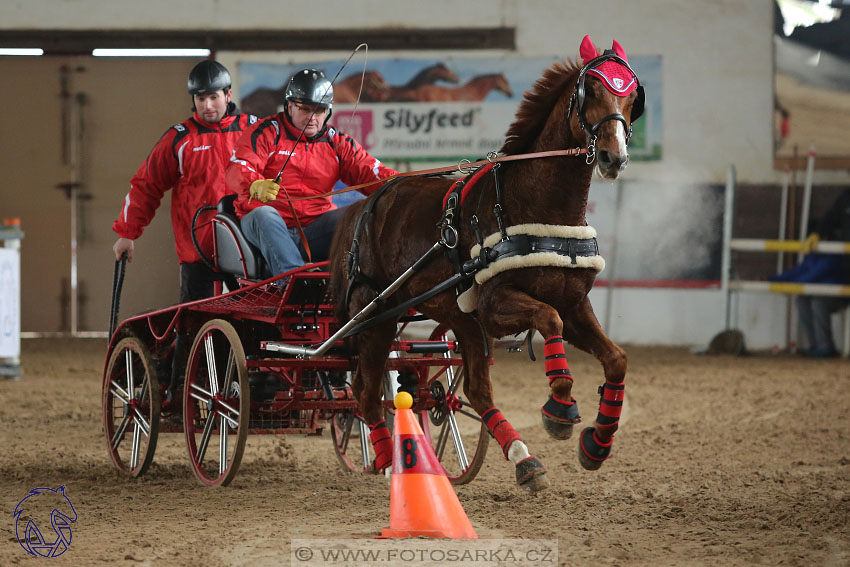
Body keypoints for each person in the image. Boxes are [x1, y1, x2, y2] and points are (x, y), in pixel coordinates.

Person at [225, 68, 398, 278]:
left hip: (316, 229)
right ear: (289, 106)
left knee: (359, 213)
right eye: (305, 109)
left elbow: (373, 172)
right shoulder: (266, 132)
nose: (312, 118)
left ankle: (364, 282)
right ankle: (297, 283)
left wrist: (407, 183)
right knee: (264, 214)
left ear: (328, 111)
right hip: (266, 225)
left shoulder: (337, 143)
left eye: (319, 111)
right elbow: (239, 166)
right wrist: (253, 184)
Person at [112, 59, 257, 302]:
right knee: (193, 331)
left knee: (252, 329)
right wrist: (127, 233)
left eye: (213, 97)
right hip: (199, 256)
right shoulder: (179, 139)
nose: (207, 105)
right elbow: (146, 185)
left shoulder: (254, 131)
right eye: (200, 99)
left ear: (228, 95)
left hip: (249, 252)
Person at [771, 188, 850, 357]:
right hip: (824, 288)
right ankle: (816, 345)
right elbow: (801, 270)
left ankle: (825, 345)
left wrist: (789, 286)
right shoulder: (845, 197)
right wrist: (773, 280)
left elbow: (811, 274)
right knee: (803, 300)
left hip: (840, 286)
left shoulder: (833, 256)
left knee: (817, 301)